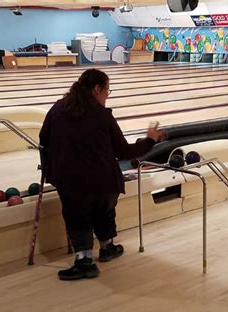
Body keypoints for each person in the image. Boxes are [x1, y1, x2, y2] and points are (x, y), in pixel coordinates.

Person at [39, 69, 165, 280]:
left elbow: (43, 139)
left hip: (71, 182)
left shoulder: (58, 108)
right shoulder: (101, 115)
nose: (108, 94)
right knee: (103, 210)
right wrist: (150, 140)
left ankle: (84, 260)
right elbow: (124, 152)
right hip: (105, 183)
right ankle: (107, 248)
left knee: (77, 217)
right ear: (97, 89)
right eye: (107, 90)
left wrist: (51, 168)